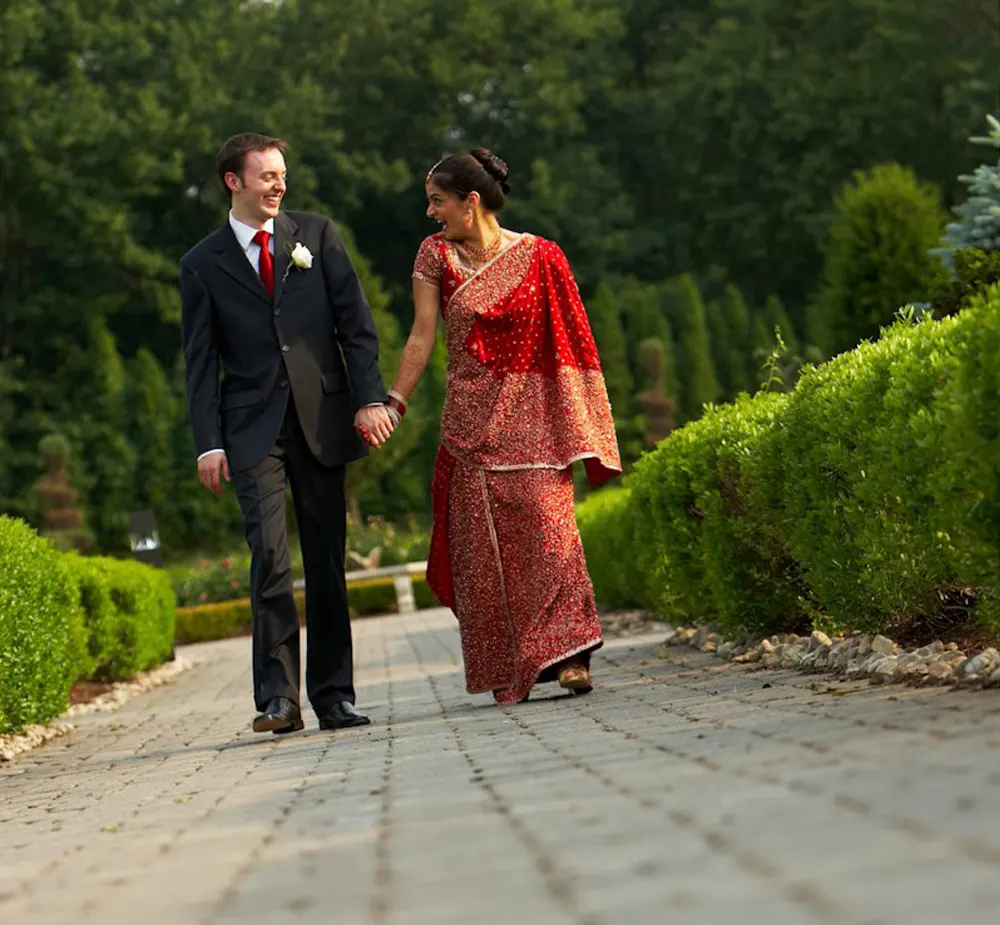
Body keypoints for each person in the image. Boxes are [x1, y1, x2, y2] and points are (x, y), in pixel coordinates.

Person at [381, 148, 621, 705]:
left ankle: (571, 656)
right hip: (470, 425)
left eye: (437, 201)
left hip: (537, 419)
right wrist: (395, 400)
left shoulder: (542, 256)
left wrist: (581, 418)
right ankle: (516, 664)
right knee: (484, 555)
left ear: (471, 201)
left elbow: (574, 343)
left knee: (549, 534)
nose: (430, 213)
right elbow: (420, 335)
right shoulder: (434, 255)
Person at [179, 133, 396, 734]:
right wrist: (208, 440)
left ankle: (333, 696)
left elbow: (357, 325)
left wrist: (368, 399)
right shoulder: (201, 263)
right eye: (266, 175)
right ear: (234, 182)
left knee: (325, 561)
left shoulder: (317, 236)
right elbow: (200, 362)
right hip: (251, 431)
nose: (279, 184)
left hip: (322, 421)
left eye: (282, 175)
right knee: (270, 558)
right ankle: (278, 700)